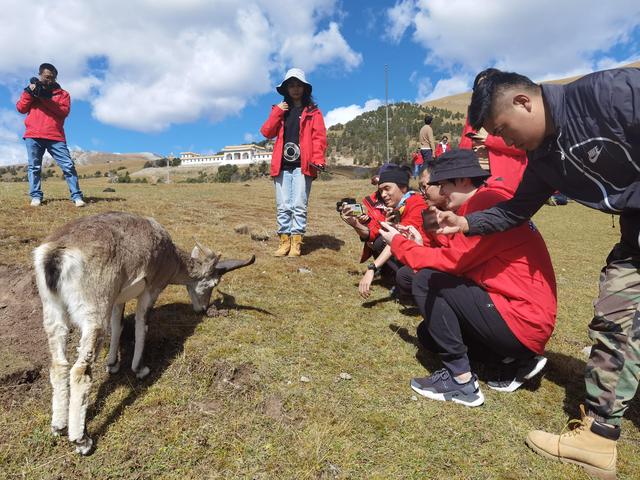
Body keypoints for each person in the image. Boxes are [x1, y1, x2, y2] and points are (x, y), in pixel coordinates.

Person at [432, 67, 640, 479]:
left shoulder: (611, 93)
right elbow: (514, 210)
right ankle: (598, 440)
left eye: (503, 130)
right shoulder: (543, 160)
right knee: (614, 319)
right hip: (635, 241)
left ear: (523, 102)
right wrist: (467, 224)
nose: (505, 142)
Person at [379, 149, 557, 408]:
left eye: (443, 184)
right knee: (428, 334)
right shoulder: (486, 201)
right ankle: (509, 362)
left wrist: (399, 244)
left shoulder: (485, 203)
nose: (439, 191)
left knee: (426, 279)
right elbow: (464, 255)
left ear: (463, 181)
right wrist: (418, 242)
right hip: (525, 319)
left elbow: (452, 263)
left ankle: (460, 380)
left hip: (520, 317)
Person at [260, 68, 327, 257]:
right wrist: (277, 113)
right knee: (283, 205)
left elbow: (319, 138)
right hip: (281, 166)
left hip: (303, 165)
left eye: (299, 85)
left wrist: (318, 159)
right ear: (286, 89)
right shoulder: (280, 110)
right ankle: (284, 241)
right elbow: (266, 132)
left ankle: (296, 242)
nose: (295, 89)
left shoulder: (313, 112)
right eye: (291, 85)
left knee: (299, 204)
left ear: (305, 88)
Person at [351, 164, 427, 298]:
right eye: (380, 191)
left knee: (382, 241)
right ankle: (396, 279)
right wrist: (355, 223)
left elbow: (399, 238)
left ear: (403, 187)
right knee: (380, 240)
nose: (383, 195)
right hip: (417, 255)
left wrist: (372, 268)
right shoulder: (399, 206)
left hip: (426, 258)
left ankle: (409, 287)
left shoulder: (416, 203)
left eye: (387, 189)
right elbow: (376, 233)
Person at [16, 63, 84, 207]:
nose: (50, 80)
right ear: (40, 75)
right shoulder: (32, 90)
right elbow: (21, 108)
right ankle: (35, 196)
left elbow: (63, 112)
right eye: (47, 77)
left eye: (53, 78)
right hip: (33, 134)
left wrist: (43, 98)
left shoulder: (63, 94)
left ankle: (77, 196)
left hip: (55, 136)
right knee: (34, 167)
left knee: (68, 166)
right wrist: (29, 92)